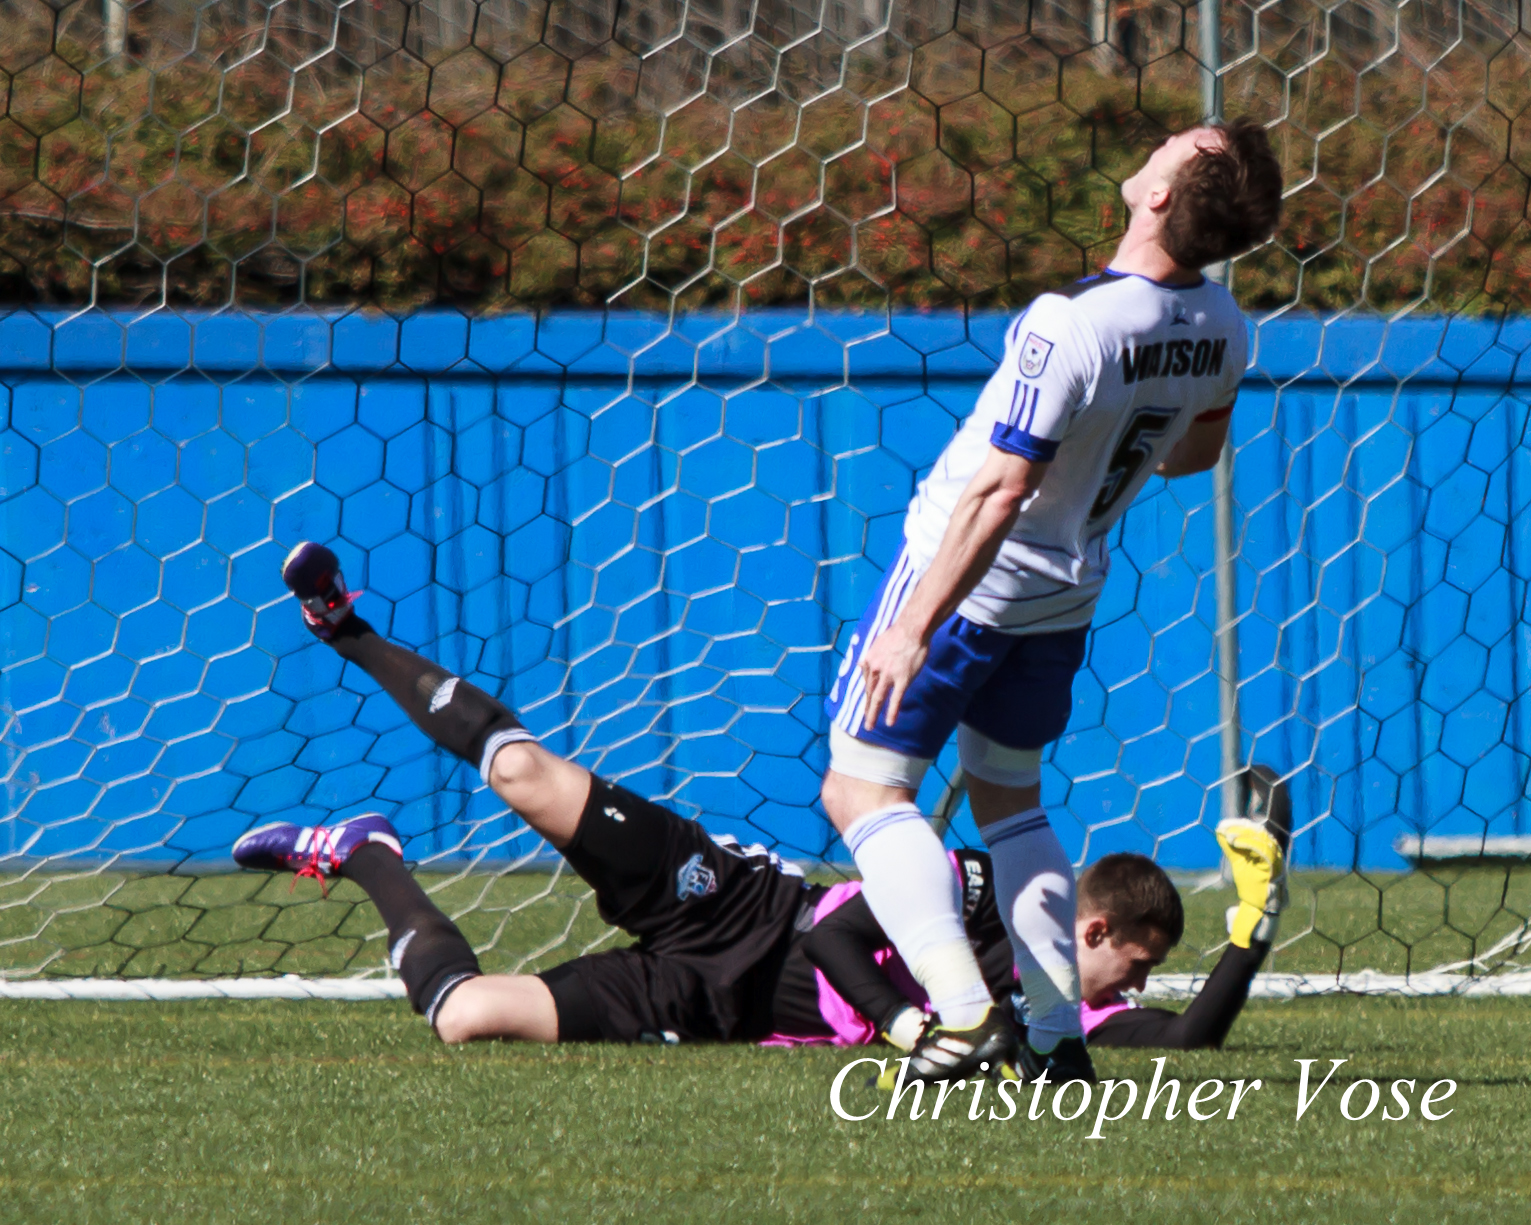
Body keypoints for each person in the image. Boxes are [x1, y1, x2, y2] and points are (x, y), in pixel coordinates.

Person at [235, 544, 1288, 1055]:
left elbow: (1189, 1047)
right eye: (1135, 963)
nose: (1135, 983)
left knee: (464, 1018)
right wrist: (904, 1025)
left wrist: (1254, 927)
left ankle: (366, 855)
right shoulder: (976, 887)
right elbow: (836, 942)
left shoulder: (1075, 1023)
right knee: (520, 772)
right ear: (1093, 924)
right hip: (735, 907)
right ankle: (345, 627)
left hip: (714, 1005)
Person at [817, 118, 1284, 1085]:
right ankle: (1053, 1031)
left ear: (1158, 197)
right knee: (1011, 804)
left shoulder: (1068, 320)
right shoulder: (1226, 327)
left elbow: (997, 489)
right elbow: (1193, 455)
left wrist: (911, 627)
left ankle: (960, 1015)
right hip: (1067, 591)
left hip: (973, 580)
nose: (1155, 144)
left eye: (1173, 146)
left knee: (861, 788)